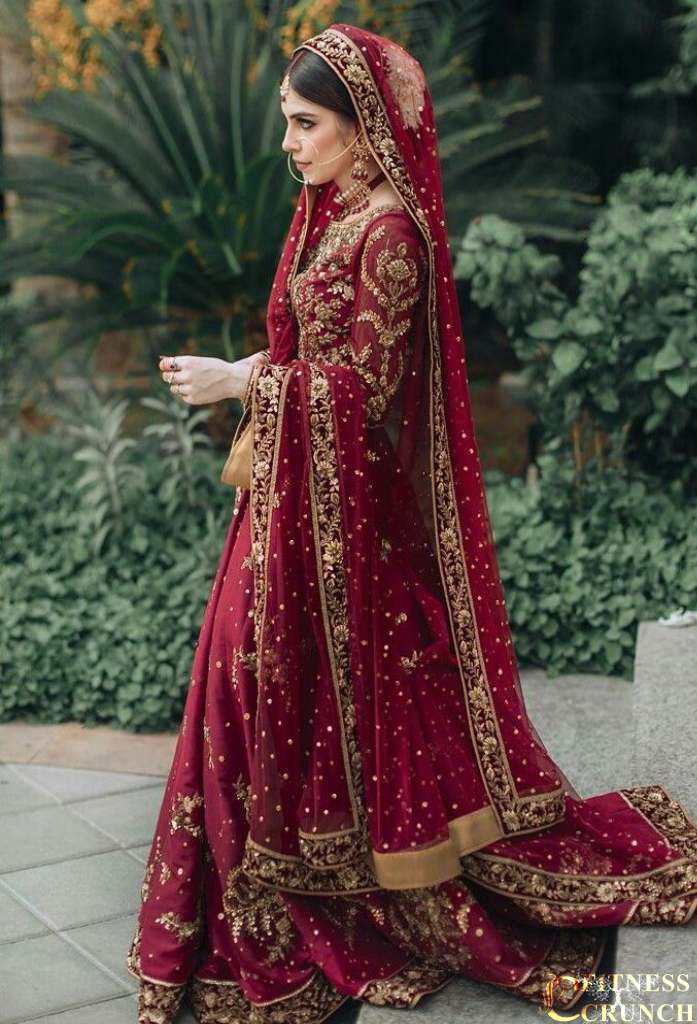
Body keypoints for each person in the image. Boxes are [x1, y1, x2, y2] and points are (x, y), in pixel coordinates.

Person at [127, 23, 697, 1024]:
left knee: (257, 672)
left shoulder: (388, 231)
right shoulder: (332, 212)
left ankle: (319, 886)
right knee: (235, 673)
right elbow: (322, 359)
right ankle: (266, 885)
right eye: (287, 126)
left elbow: (367, 389)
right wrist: (246, 374)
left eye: (307, 126)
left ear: (364, 128)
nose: (291, 146)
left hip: (351, 529)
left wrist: (239, 385)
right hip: (294, 508)